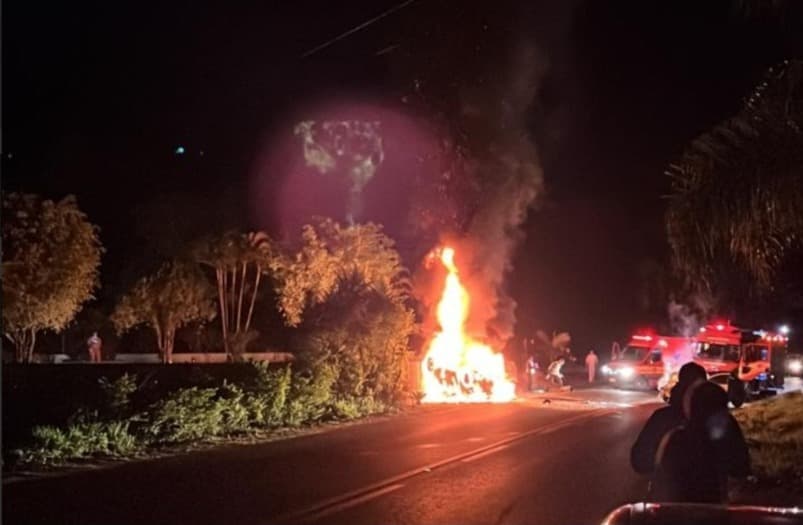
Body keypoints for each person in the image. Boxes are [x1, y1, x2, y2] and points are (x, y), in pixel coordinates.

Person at [651, 381, 750, 503]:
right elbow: (741, 470)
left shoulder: (675, 438)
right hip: (712, 511)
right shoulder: (727, 434)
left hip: (677, 512)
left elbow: (660, 482)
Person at [630, 362, 707, 476]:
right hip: (708, 492)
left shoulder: (662, 417)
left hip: (668, 490)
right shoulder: (720, 420)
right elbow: (738, 466)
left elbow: (640, 461)